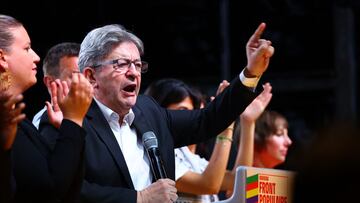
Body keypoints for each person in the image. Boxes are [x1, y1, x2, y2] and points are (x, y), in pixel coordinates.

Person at [77, 22, 274, 203]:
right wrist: (139, 198)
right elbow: (64, 191)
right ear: (91, 76)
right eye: (121, 63)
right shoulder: (72, 121)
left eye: (137, 65)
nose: (134, 72)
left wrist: (251, 73)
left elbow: (207, 119)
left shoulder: (148, 111)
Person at [0, 14, 93, 203]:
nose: (36, 57)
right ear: (2, 57)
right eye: (26, 48)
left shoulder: (17, 118)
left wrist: (68, 126)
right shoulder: (6, 121)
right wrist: (73, 121)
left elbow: (69, 191)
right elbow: (47, 193)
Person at [144, 78, 272, 202]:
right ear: (159, 113)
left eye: (194, 110)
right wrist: (225, 123)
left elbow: (236, 180)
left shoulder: (195, 160)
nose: (191, 116)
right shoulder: (158, 155)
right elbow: (210, 185)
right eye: (183, 110)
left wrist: (248, 121)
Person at [32, 42, 80, 150]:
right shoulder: (43, 124)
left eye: (87, 74)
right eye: (76, 75)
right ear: (50, 82)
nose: (85, 82)